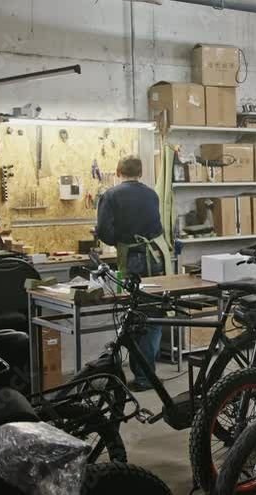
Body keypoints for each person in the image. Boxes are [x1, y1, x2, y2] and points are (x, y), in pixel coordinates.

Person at [95, 155, 172, 392]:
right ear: (141, 172)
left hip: (134, 259)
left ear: (118, 172)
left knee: (136, 315)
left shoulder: (111, 195)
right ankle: (145, 374)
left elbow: (103, 231)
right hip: (157, 256)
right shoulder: (152, 194)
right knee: (154, 314)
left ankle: (144, 377)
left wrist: (118, 239)